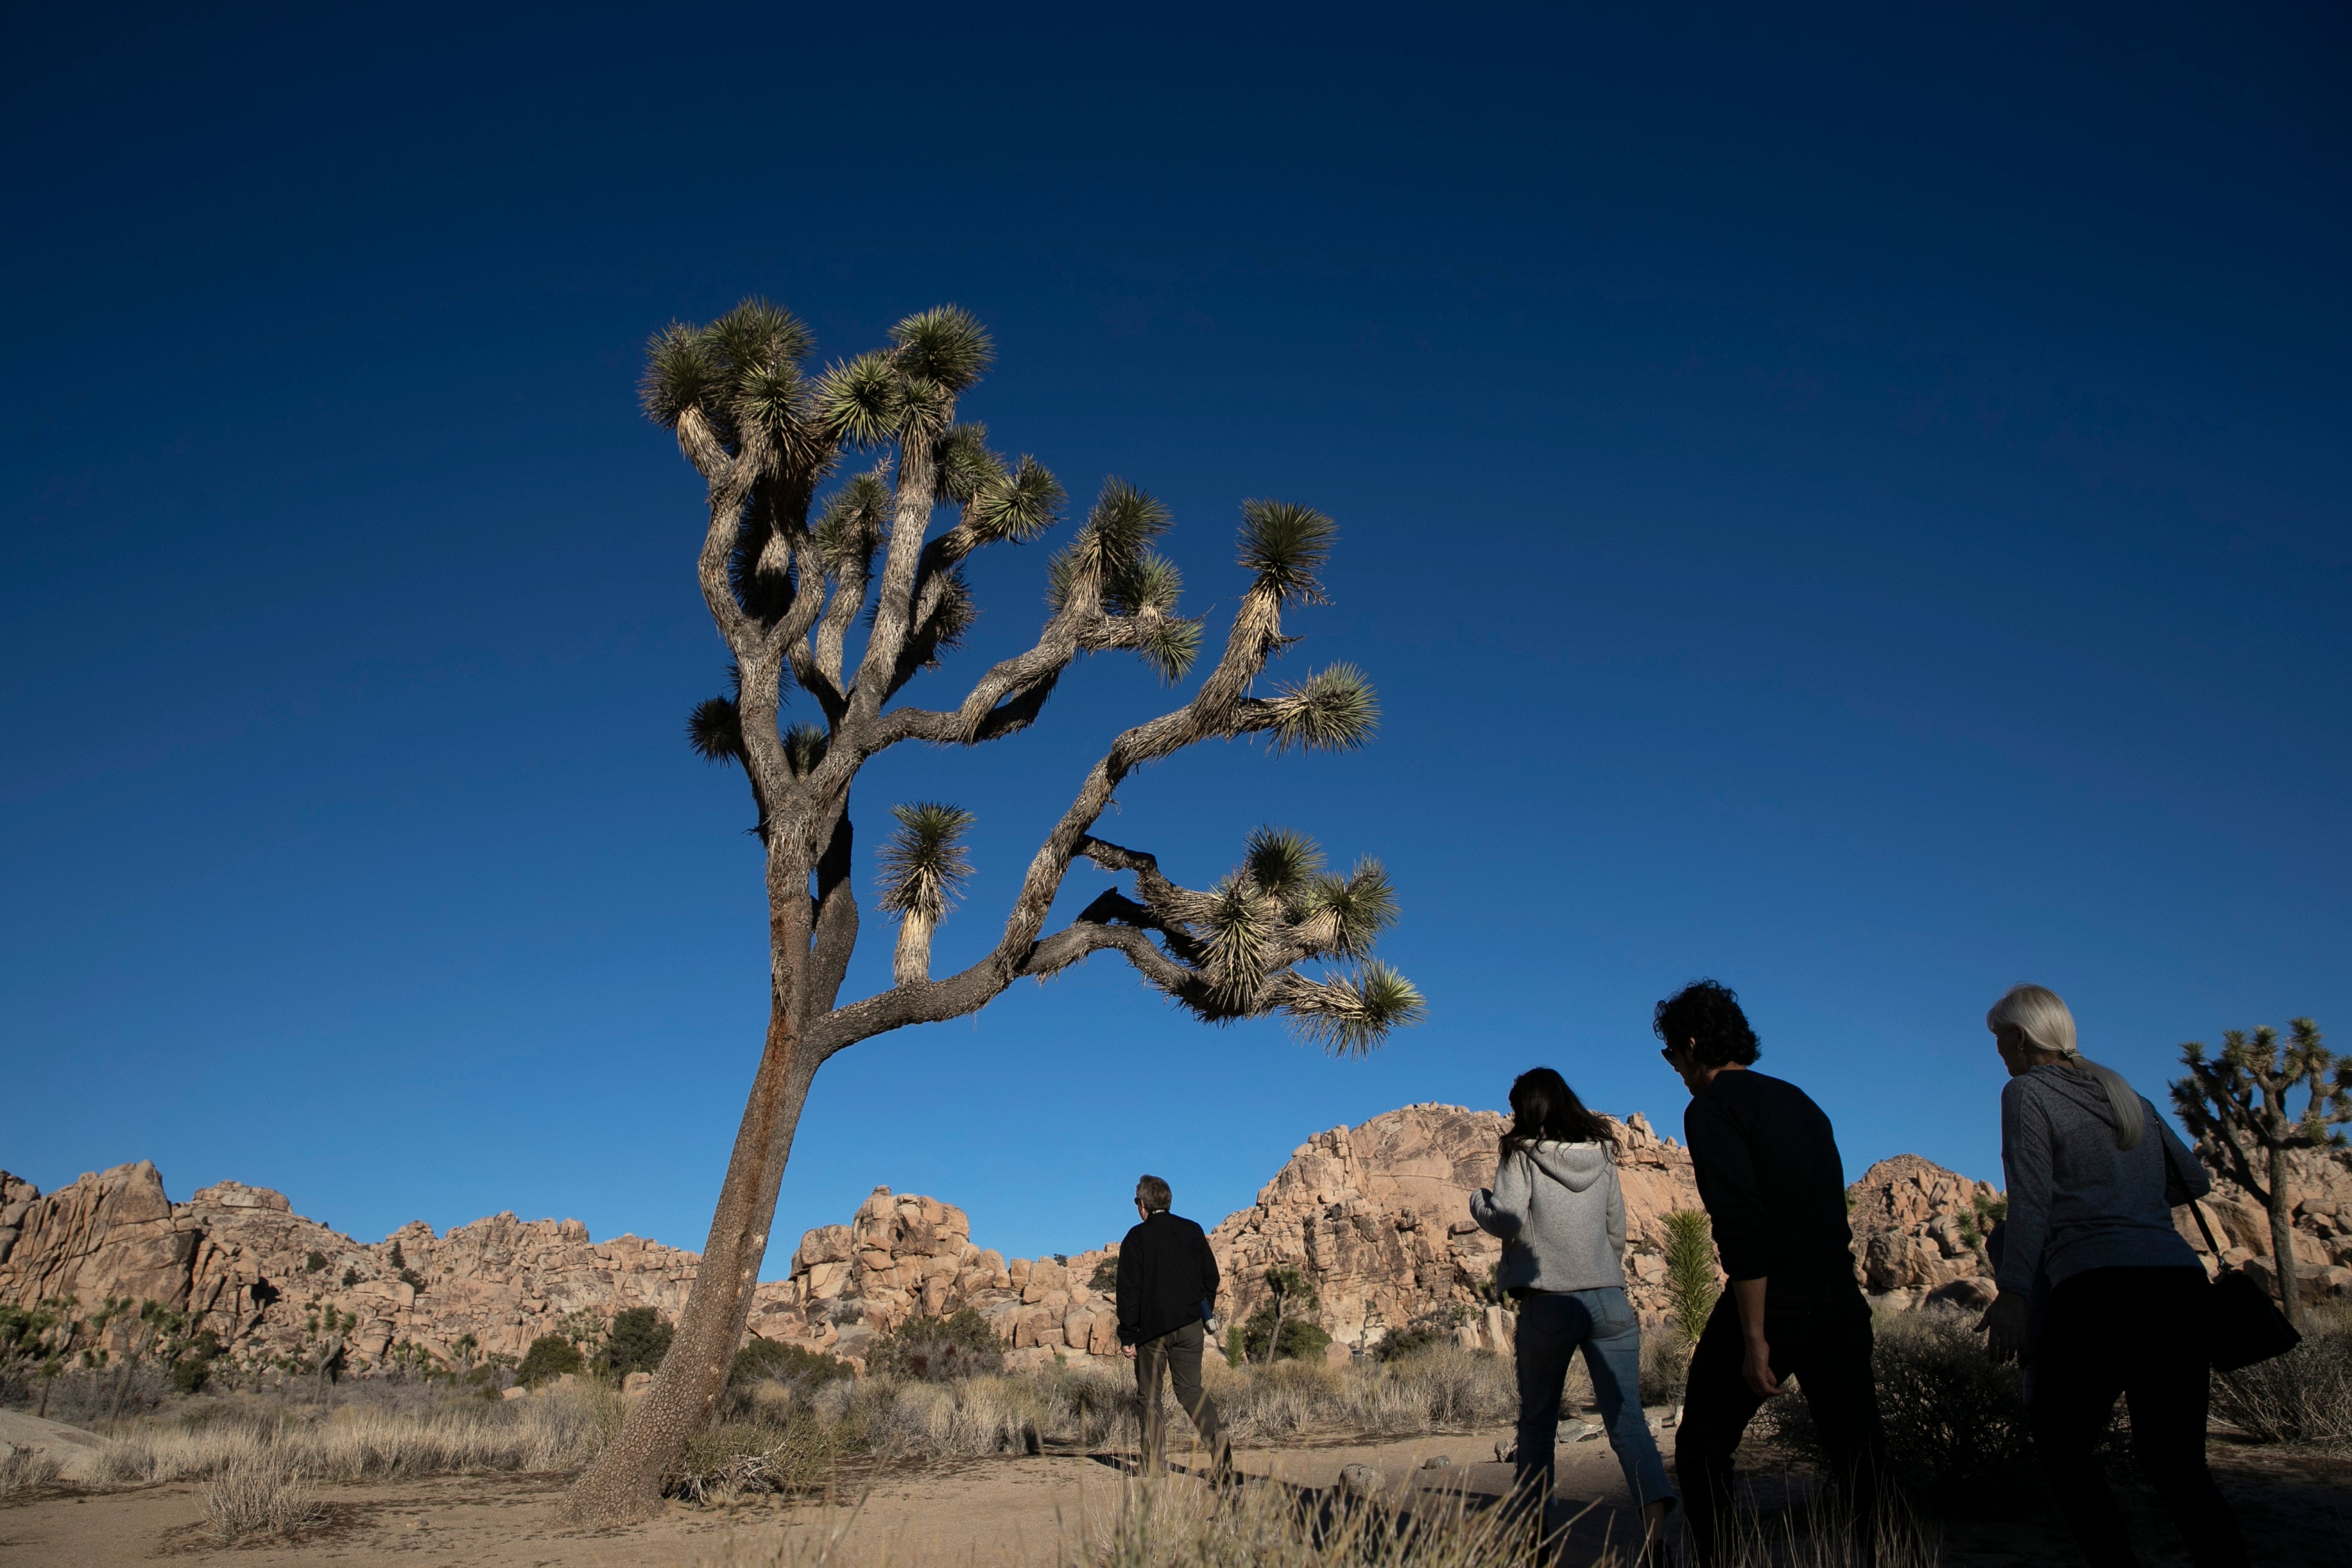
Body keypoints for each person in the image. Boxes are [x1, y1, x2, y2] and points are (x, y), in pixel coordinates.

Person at [1976, 983, 2246, 1568]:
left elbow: (2030, 1202)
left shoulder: (2026, 1092)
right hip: (2177, 1283)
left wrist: (2014, 1290)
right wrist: (2132, 1199)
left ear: (2020, 1037)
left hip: (2099, 1287)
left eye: (2000, 1040)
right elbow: (2194, 1182)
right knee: (2178, 1464)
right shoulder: (2129, 1096)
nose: (1999, 1053)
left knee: (2060, 1444)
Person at [1655, 979, 1892, 1567]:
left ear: (1690, 1044)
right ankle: (1894, 1553)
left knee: (1702, 1448)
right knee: (1861, 1453)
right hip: (1839, 1295)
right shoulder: (1800, 1102)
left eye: (1670, 1054)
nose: (1674, 1068)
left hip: (1776, 1297)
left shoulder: (1711, 1107)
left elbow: (1743, 1224)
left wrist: (1756, 1337)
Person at [1472, 1067, 1677, 1561]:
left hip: (1548, 1300)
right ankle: (1657, 1542)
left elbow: (1508, 1218)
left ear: (1527, 1108)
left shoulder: (1520, 1152)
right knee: (1627, 1420)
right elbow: (1616, 1230)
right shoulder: (1603, 1154)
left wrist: (1477, 1202)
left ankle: (1536, 1538)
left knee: (1538, 1423)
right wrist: (1598, 1268)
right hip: (1608, 1297)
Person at [1115, 1173, 1230, 1478]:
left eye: (1136, 1202)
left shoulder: (1136, 1238)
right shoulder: (1192, 1231)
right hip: (1190, 1325)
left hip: (1151, 1332)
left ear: (1142, 1204)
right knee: (1191, 1389)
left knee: (1150, 1395)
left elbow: (1128, 1292)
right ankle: (1217, 1440)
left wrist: (1128, 1334)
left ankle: (1153, 1465)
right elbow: (1212, 1278)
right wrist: (1202, 1308)